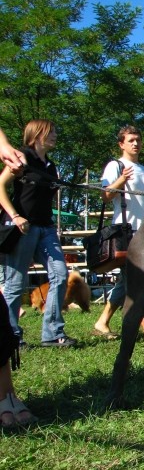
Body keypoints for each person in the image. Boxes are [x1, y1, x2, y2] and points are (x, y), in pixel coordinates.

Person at [92, 125, 144, 343]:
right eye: (131, 140)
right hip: (125, 232)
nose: (136, 143)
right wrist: (121, 181)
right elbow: (105, 195)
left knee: (127, 280)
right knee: (136, 281)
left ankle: (102, 322)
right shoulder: (115, 166)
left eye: (138, 140)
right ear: (121, 144)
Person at [0, 119, 76, 347]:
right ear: (36, 134)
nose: (55, 135)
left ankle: (53, 333)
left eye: (55, 131)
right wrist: (15, 216)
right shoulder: (22, 158)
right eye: (50, 132)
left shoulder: (51, 166)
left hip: (46, 228)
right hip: (23, 228)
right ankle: (12, 335)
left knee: (60, 274)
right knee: (15, 283)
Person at [0, 129, 38, 428]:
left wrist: (3, 146)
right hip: (20, 227)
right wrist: (14, 215)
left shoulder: (37, 162)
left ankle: (5, 393)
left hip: (38, 227)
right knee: (11, 288)